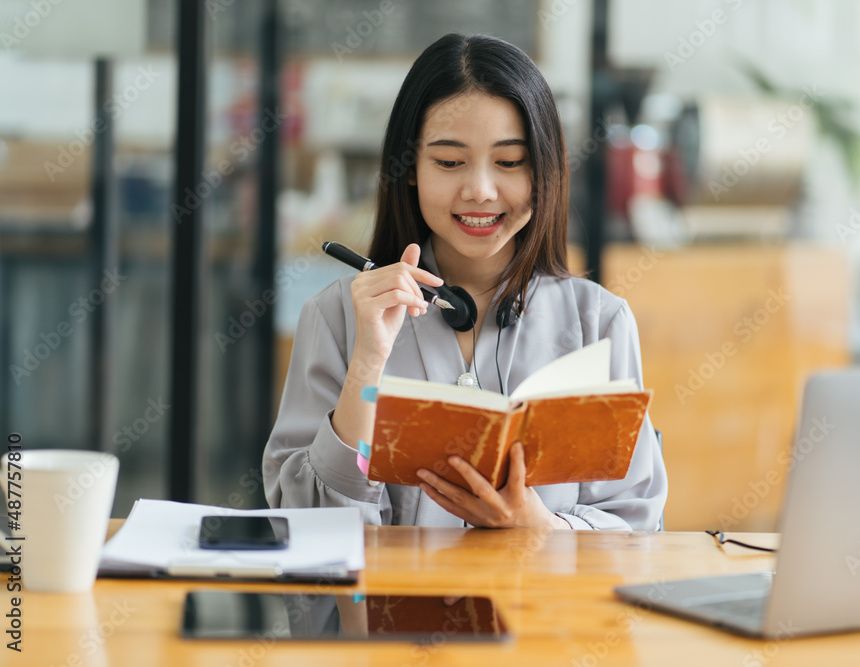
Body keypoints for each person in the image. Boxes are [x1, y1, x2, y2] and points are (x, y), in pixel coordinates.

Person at [263, 33, 667, 530]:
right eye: (449, 162)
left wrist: (540, 528)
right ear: (409, 167)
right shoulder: (335, 317)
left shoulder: (599, 323)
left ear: (545, 170)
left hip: (536, 609)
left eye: (510, 162)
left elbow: (639, 529)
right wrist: (366, 364)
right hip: (388, 608)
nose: (479, 189)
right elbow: (298, 526)